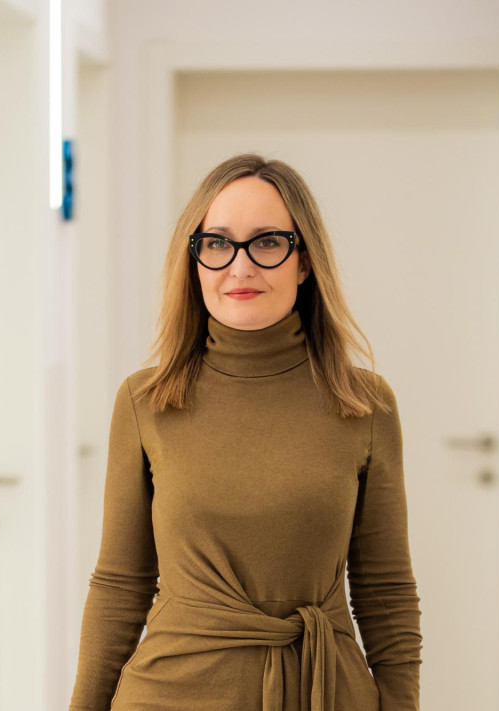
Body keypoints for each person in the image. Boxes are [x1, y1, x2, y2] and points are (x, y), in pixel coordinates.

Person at [68, 153, 422, 711]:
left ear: (304, 262)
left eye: (268, 242)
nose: (240, 267)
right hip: (168, 696)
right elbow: (119, 585)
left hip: (323, 691)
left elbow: (386, 592)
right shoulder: (145, 401)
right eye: (218, 244)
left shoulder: (365, 404)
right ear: (195, 261)